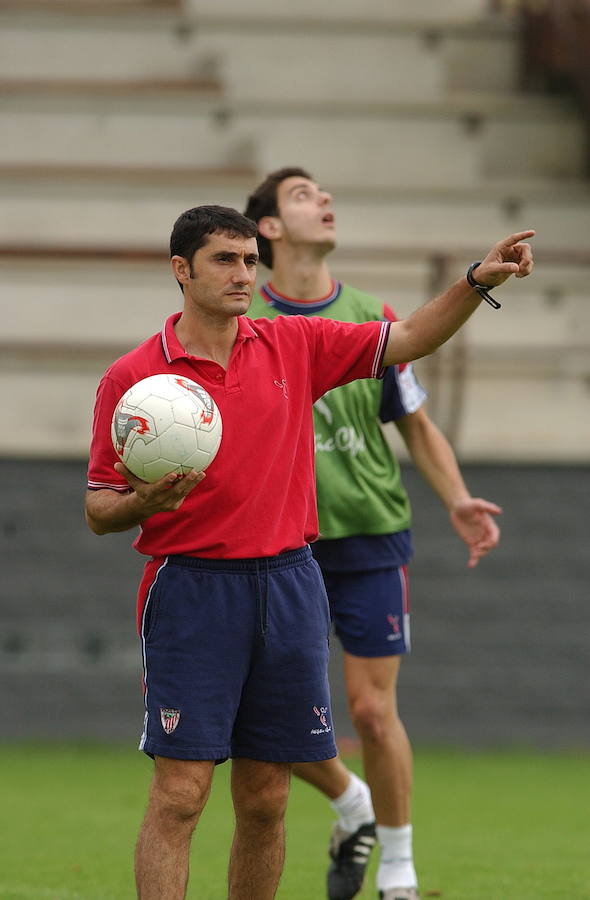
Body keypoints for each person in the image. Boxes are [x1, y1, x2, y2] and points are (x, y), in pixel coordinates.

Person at [85, 203, 534, 900]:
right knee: (181, 792)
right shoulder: (135, 379)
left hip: (290, 584)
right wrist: (140, 503)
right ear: (181, 270)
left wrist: (475, 281)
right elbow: (97, 508)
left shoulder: (293, 343)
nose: (242, 274)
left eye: (248, 261)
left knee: (266, 794)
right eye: (224, 261)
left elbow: (411, 336)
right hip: (193, 590)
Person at [244, 168, 509, 900]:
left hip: (368, 536)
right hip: (278, 542)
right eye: (303, 195)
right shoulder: (245, 319)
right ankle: (349, 799)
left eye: (325, 194)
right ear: (266, 227)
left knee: (370, 710)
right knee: (258, 712)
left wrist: (456, 499)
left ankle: (398, 871)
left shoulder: (370, 315)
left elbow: (416, 426)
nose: (323, 201)